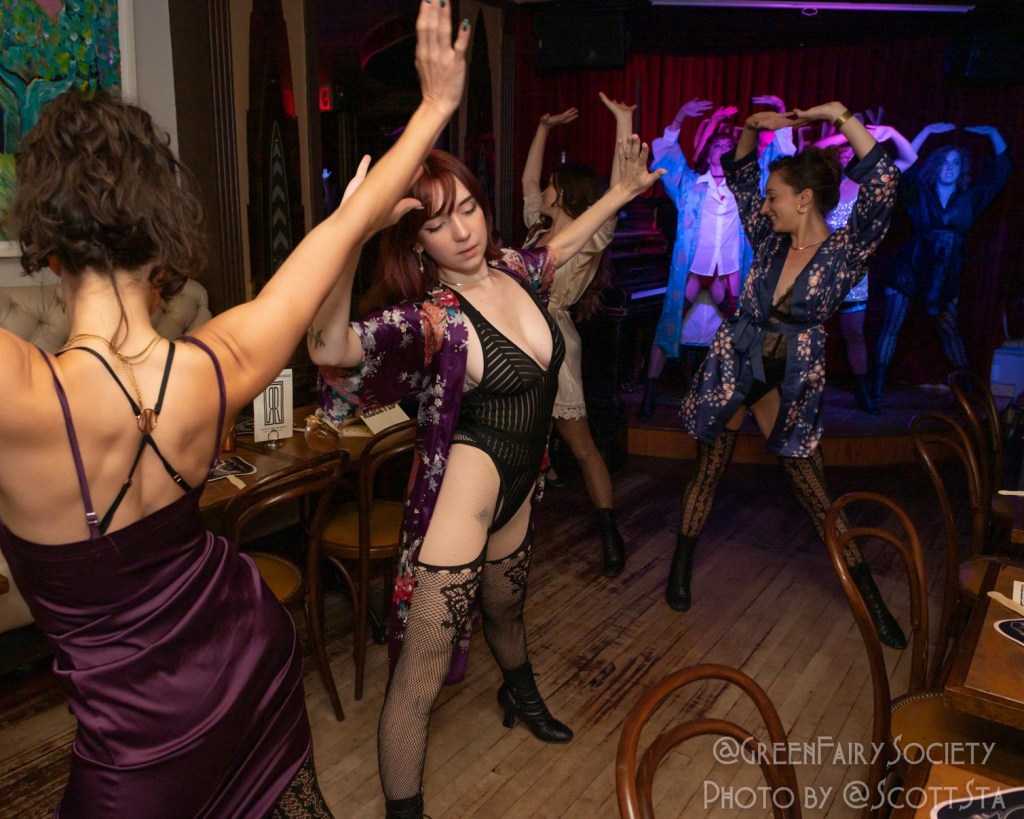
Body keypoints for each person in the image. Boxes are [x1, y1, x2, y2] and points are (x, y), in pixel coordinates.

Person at [0, 1, 467, 815]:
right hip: (255, 668)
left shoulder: (23, 395)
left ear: (48, 247)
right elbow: (344, 227)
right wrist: (434, 106)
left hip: (137, 759)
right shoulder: (216, 366)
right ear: (159, 236)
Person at [308, 130, 662, 815]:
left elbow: (560, 246)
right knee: (421, 670)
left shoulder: (514, 269)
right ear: (416, 243)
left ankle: (518, 691)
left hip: (522, 483)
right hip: (467, 492)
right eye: (437, 224)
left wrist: (620, 192)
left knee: (506, 606)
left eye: (468, 208)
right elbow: (330, 347)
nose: (463, 231)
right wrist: (349, 234)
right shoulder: (433, 318)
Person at [673, 101, 908, 650]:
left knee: (814, 490)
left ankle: (870, 599)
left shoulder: (846, 248)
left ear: (804, 199)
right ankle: (680, 567)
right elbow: (740, 172)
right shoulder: (768, 236)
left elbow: (883, 184)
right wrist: (751, 127)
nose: (765, 205)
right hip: (736, 361)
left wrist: (837, 115)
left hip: (792, 373)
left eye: (775, 196)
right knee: (708, 470)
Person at [520, 91, 635, 576]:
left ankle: (610, 532)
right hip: (518, 341)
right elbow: (528, 182)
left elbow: (620, 189)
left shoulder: (590, 236)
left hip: (556, 344)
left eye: (552, 185)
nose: (544, 189)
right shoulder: (536, 232)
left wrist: (624, 121)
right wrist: (543, 129)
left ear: (565, 193)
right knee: (520, 447)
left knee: (582, 446)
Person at [639, 95, 794, 419]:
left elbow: (780, 158)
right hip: (693, 273)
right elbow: (666, 153)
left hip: (730, 273)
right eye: (717, 145)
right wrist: (680, 116)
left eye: (728, 146)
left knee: (745, 336)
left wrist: (780, 112)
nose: (722, 149)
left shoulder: (750, 187)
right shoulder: (689, 185)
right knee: (668, 328)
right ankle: (649, 394)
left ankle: (745, 401)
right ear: (708, 153)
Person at [873, 122, 1009, 398]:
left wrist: (995, 134)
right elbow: (905, 166)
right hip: (910, 268)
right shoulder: (919, 193)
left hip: (944, 274)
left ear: (962, 168)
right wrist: (925, 133)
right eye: (945, 162)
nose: (950, 167)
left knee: (949, 331)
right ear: (936, 166)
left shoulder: (970, 198)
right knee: (891, 326)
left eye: (955, 163)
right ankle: (874, 388)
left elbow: (1000, 173)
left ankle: (970, 388)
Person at [814, 122, 918, 413]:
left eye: (854, 150)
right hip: (819, 268)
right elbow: (814, 148)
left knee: (855, 333)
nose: (848, 154)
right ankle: (804, 393)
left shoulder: (872, 183)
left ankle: (864, 392)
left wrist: (891, 131)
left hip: (854, 269)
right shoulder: (821, 184)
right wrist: (847, 134)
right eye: (842, 151)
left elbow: (909, 158)